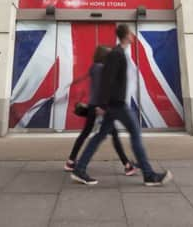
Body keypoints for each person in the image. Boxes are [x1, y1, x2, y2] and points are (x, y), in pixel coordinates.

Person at [71, 24, 172, 186]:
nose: (133, 35)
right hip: (116, 104)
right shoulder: (116, 54)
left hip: (113, 104)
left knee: (99, 137)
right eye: (130, 33)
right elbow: (107, 80)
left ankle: (79, 169)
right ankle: (149, 175)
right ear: (126, 35)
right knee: (135, 133)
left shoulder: (119, 53)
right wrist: (103, 104)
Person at [64, 45, 136, 176]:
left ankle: (70, 161)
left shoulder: (94, 67)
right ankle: (127, 165)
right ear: (104, 56)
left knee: (86, 133)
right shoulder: (102, 69)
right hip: (102, 107)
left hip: (93, 106)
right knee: (114, 136)